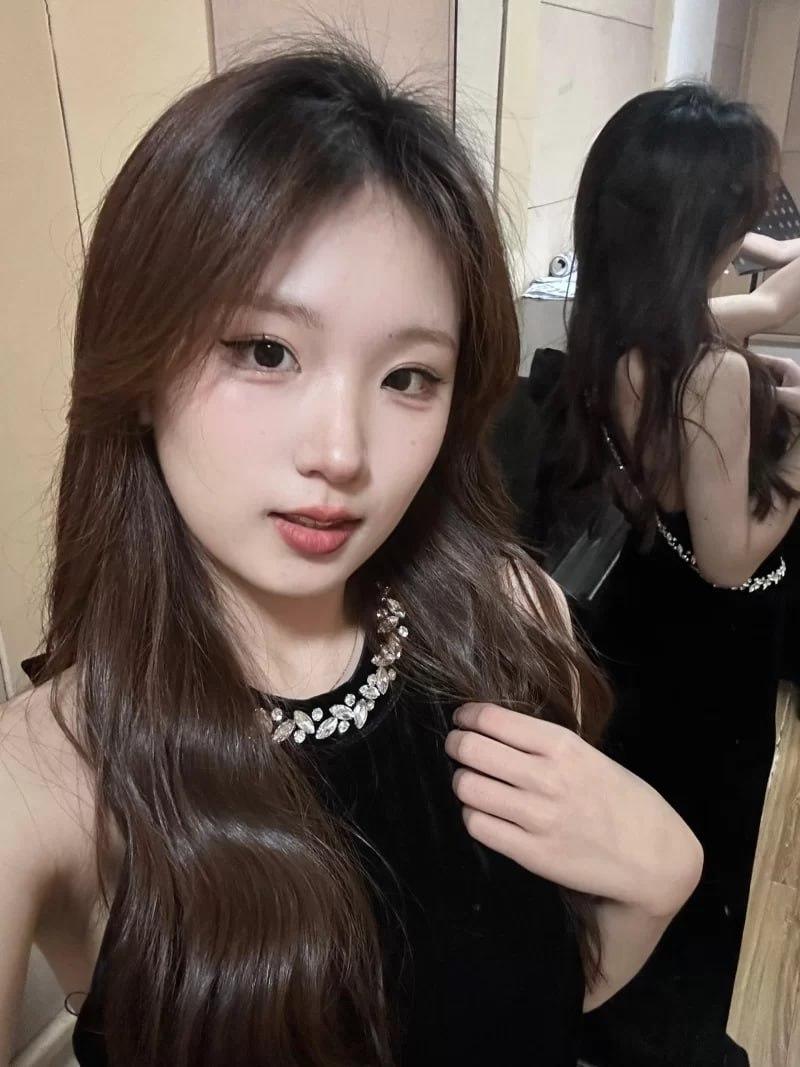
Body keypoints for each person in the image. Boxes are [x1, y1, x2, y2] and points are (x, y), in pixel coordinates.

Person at [0, 45, 702, 1067]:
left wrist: (656, 884)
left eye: (408, 376)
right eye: (266, 351)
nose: (341, 452)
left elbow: (520, 1008)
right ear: (140, 367)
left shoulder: (507, 615)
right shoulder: (47, 777)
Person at [549, 84, 800, 1067]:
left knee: (632, 836)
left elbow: (745, 310)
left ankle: (610, 1012)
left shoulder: (612, 332)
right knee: (707, 845)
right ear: (708, 224)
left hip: (636, 632)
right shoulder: (710, 372)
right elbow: (732, 555)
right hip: (708, 651)